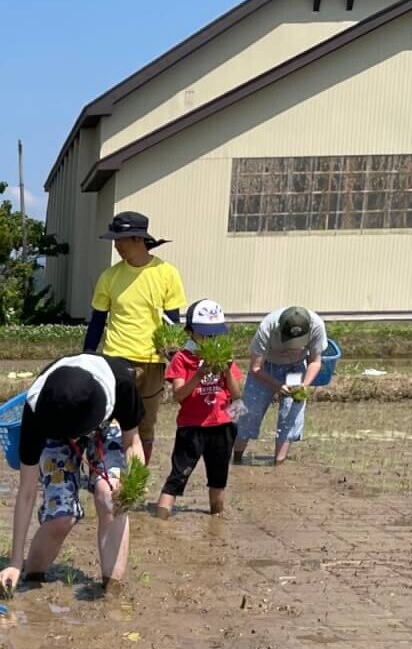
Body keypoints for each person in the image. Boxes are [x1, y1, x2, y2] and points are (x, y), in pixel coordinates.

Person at [0, 353, 146, 595]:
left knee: (110, 497)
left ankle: (112, 590)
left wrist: (133, 485)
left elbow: (133, 443)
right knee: (61, 517)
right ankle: (29, 576)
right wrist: (14, 562)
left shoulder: (121, 384)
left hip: (103, 425)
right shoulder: (37, 412)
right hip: (55, 427)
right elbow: (26, 491)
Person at [83, 212, 185, 464]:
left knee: (145, 425)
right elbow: (97, 322)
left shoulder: (166, 273)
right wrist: (86, 357)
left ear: (138, 238)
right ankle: (111, 472)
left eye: (120, 240)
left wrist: (176, 361)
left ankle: (137, 477)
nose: (116, 245)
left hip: (151, 361)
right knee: (111, 420)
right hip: (116, 360)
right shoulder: (110, 276)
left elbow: (173, 322)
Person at [154, 300, 244, 518]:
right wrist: (198, 376)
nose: (210, 339)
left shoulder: (224, 356)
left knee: (218, 477)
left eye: (214, 334)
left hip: (222, 424)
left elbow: (237, 395)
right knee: (178, 475)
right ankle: (160, 519)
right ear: (190, 332)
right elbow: (178, 395)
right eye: (205, 334)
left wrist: (227, 371)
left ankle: (217, 515)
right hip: (192, 426)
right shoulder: (182, 358)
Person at [234, 305, 327, 466]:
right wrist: (277, 385)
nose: (293, 346)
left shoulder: (317, 326)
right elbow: (255, 368)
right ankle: (235, 458)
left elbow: (315, 361)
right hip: (266, 367)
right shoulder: (267, 326)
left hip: (295, 368)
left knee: (291, 414)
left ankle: (279, 463)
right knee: (249, 412)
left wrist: (304, 385)